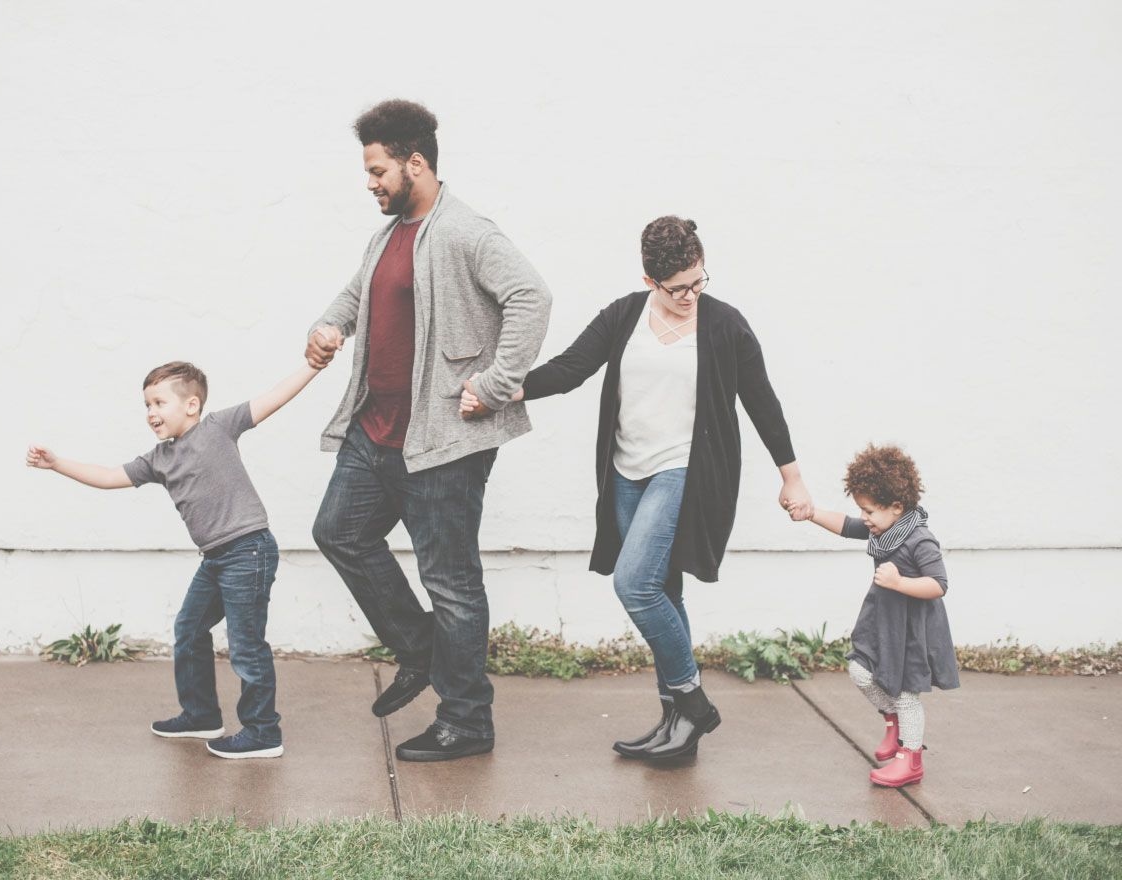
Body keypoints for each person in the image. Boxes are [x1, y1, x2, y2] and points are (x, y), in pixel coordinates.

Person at [461, 216, 812, 760]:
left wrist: (791, 476)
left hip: (684, 471)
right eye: (677, 289)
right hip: (626, 473)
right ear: (651, 281)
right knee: (663, 591)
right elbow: (571, 368)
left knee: (635, 585)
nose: (690, 296)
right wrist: (502, 391)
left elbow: (762, 401)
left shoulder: (725, 326)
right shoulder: (626, 315)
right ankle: (677, 727)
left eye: (699, 282)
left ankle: (693, 702)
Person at [306, 99, 551, 762]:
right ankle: (419, 651)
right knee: (338, 532)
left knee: (451, 581)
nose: (371, 182)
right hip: (376, 431)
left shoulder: (465, 231)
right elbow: (358, 294)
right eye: (369, 170)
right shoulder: (388, 235)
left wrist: (495, 384)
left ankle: (467, 719)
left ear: (415, 163)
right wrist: (328, 327)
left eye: (379, 169)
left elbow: (532, 296)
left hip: (441, 442)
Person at [26, 359, 322, 759]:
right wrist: (57, 464)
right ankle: (201, 714)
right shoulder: (159, 459)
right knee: (189, 628)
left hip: (248, 550)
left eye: (159, 403)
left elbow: (273, 397)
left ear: (191, 405)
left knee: (246, 645)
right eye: (146, 405)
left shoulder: (219, 427)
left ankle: (263, 732)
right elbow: (110, 475)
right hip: (215, 558)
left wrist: (313, 366)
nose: (151, 413)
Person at [789, 444, 958, 787]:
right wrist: (811, 513)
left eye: (869, 510)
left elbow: (938, 584)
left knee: (905, 693)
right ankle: (892, 722)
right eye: (862, 509)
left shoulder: (919, 539)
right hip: (882, 622)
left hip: (911, 629)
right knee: (860, 670)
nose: (864, 517)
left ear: (897, 507)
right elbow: (847, 525)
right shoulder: (883, 529)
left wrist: (899, 582)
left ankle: (910, 759)